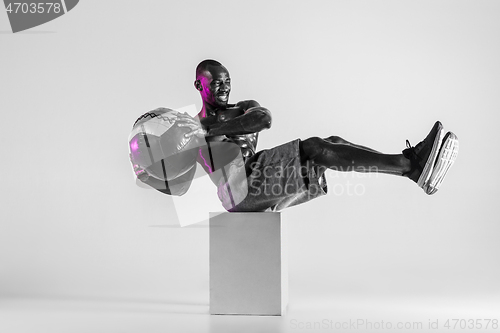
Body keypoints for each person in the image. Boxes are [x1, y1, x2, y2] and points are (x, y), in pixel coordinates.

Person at [133, 59, 459, 211]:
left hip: (256, 175)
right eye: (216, 82)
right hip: (237, 190)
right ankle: (410, 166)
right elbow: (181, 182)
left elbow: (263, 119)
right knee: (316, 147)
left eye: (227, 81)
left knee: (333, 143)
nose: (224, 87)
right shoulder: (188, 129)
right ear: (198, 85)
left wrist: (211, 129)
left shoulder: (241, 110)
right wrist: (147, 173)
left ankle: (412, 166)